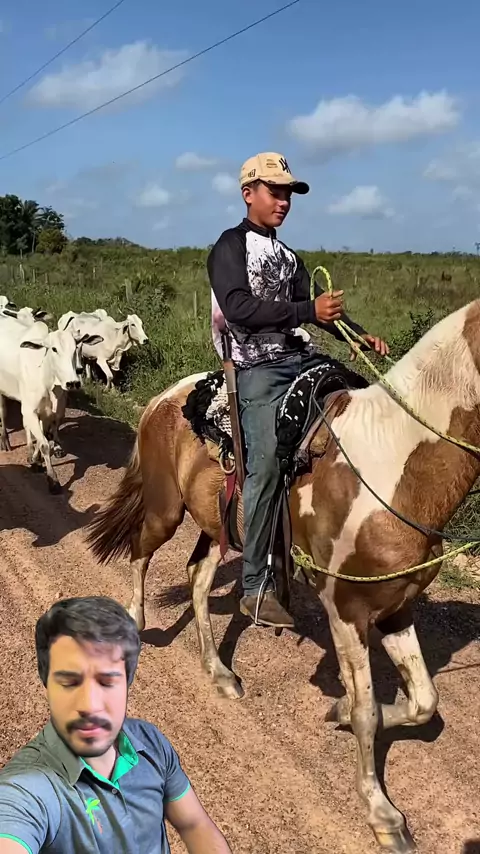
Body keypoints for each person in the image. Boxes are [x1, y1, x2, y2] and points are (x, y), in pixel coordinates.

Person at [207, 151, 389, 630]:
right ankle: (255, 586)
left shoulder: (290, 258)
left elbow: (319, 311)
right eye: (275, 191)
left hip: (300, 358)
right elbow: (239, 309)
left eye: (288, 193)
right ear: (248, 193)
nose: (284, 201)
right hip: (257, 369)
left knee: (363, 411)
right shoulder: (229, 247)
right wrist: (308, 312)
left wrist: (357, 335)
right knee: (266, 465)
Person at [0, 595, 232, 854]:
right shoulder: (26, 789)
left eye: (107, 682)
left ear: (128, 682)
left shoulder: (151, 742)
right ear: (46, 685)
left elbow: (194, 824)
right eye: (69, 683)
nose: (90, 704)